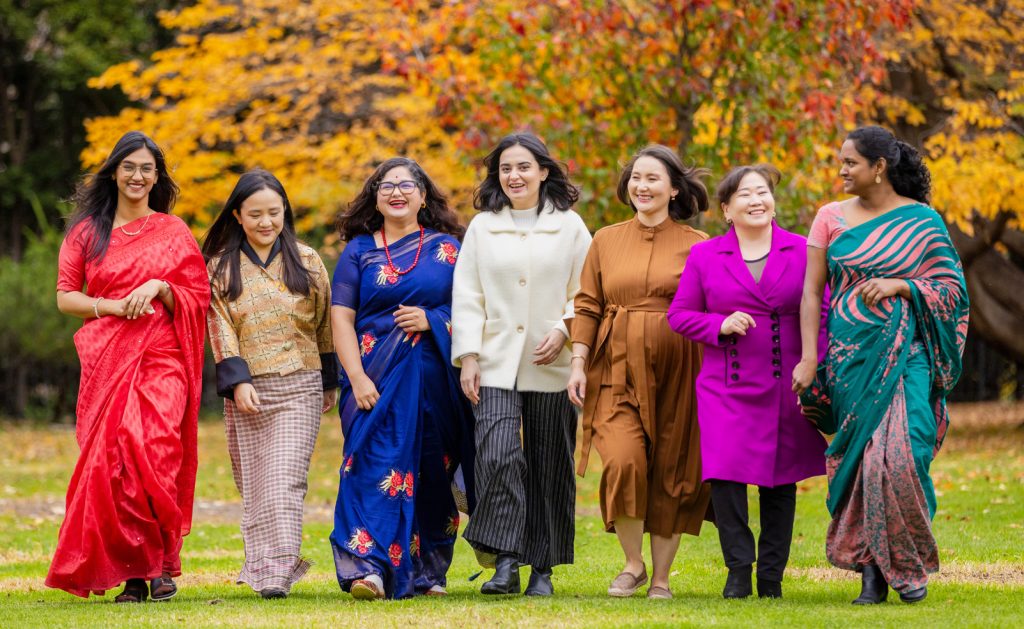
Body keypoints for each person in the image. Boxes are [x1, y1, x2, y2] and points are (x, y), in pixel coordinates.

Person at [793, 126, 969, 605]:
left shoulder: (923, 221)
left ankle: (907, 564)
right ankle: (871, 575)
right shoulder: (830, 217)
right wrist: (810, 357)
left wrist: (903, 286)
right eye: (841, 162)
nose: (842, 170)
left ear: (879, 167)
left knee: (904, 454)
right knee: (864, 461)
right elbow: (811, 292)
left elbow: (953, 292)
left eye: (850, 162)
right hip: (852, 359)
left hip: (908, 354)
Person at [47, 131, 209, 602]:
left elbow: (199, 296)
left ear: (156, 177)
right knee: (114, 463)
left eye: (147, 169)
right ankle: (135, 575)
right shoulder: (86, 232)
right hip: (108, 357)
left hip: (163, 356)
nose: (138, 176)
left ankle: (160, 566)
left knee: (152, 449)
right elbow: (65, 296)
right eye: (130, 167)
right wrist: (113, 307)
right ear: (114, 171)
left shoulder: (174, 231)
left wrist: (161, 287)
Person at [666, 164, 828, 599]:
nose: (756, 201)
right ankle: (739, 570)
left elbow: (824, 313)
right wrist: (718, 324)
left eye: (763, 192)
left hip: (787, 381)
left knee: (780, 481)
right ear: (726, 209)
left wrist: (815, 364)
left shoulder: (803, 249)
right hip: (725, 384)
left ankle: (771, 578)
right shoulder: (706, 255)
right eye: (745, 195)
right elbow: (679, 315)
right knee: (726, 478)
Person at [566, 144, 712, 600]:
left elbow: (715, 307)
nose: (642, 186)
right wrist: (577, 361)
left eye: (652, 178)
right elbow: (587, 303)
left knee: (674, 467)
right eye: (635, 178)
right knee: (624, 459)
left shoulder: (698, 245)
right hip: (615, 365)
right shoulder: (605, 239)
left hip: (682, 368)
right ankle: (633, 564)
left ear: (673, 189)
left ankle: (662, 579)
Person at [329, 157, 475, 600]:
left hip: (437, 387)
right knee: (370, 467)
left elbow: (473, 309)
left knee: (431, 474)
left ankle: (427, 574)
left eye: (406, 184)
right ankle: (368, 569)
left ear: (423, 196)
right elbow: (341, 318)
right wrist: (355, 379)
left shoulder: (450, 248)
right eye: (386, 185)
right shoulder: (357, 251)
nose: (396, 191)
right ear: (374, 197)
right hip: (374, 381)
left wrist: (433, 320)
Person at [452, 132, 591, 597]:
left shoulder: (570, 227)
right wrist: (468, 355)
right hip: (493, 361)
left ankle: (542, 570)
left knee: (550, 462)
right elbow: (467, 295)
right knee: (495, 455)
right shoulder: (482, 227)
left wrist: (565, 328)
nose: (514, 176)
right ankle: (505, 560)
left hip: (548, 361)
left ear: (544, 171)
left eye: (524, 167)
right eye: (506, 169)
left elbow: (587, 291)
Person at [203, 169, 337, 599]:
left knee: (284, 480)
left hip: (301, 384)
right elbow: (220, 328)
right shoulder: (221, 267)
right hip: (250, 391)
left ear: (285, 213)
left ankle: (278, 572)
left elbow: (325, 325)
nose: (266, 222)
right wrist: (238, 383)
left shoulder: (308, 259)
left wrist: (329, 381)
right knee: (257, 484)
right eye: (255, 214)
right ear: (238, 216)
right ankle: (262, 569)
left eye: (274, 213)